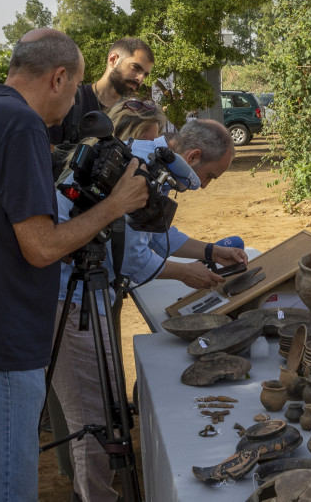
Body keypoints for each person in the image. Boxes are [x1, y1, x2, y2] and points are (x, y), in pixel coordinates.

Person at [0, 28, 149, 502]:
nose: (73, 103)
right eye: (74, 88)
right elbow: (40, 247)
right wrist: (115, 205)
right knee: (4, 488)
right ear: (59, 78)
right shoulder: (20, 124)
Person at [51, 117, 242, 502]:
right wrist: (186, 273)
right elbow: (132, 259)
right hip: (70, 301)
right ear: (193, 156)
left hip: (82, 295)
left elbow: (155, 231)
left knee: (100, 406)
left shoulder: (146, 159)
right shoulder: (139, 170)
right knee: (92, 416)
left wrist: (209, 251)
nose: (206, 185)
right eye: (210, 176)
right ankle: (95, 495)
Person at [49, 37, 155, 146]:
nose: (140, 78)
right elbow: (46, 153)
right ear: (113, 60)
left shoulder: (130, 114)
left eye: (145, 74)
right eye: (135, 67)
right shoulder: (70, 100)